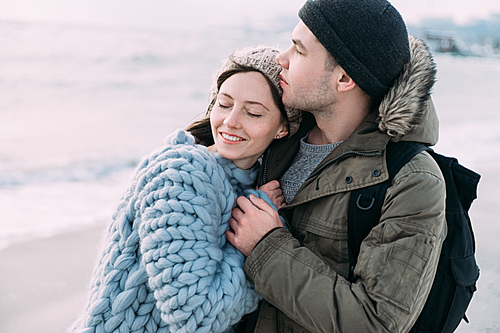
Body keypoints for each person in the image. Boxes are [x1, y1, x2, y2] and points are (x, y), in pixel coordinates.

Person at [226, 0, 447, 332]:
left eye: (299, 51)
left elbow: (375, 323)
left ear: (344, 78)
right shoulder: (278, 130)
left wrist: (266, 245)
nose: (280, 59)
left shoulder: (412, 180)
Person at [68, 46, 301, 333]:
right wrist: (260, 241)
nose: (230, 121)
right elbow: (196, 317)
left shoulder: (240, 183)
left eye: (252, 112)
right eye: (224, 104)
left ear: (282, 128)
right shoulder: (182, 172)